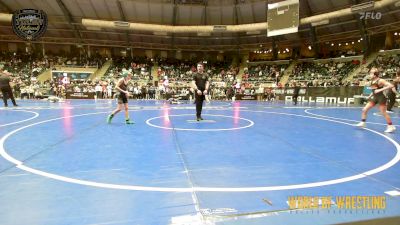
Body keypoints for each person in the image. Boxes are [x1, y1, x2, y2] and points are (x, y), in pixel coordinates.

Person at [356, 68, 396, 133]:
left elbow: (391, 85)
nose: (370, 74)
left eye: (371, 73)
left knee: (383, 113)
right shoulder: (372, 81)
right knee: (364, 109)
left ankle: (391, 126)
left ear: (375, 75)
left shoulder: (380, 80)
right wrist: (369, 96)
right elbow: (374, 91)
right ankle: (363, 122)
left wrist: (380, 90)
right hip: (375, 97)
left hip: (382, 97)